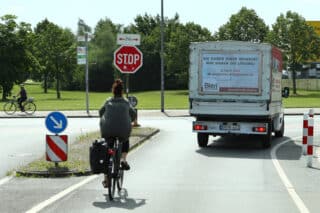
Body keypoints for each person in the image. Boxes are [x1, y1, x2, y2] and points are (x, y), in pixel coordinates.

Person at [99, 79, 136, 188]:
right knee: (125, 139)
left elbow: (100, 112)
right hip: (122, 130)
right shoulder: (126, 102)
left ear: (113, 91)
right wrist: (131, 120)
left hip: (107, 130)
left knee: (107, 150)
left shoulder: (108, 101)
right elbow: (133, 114)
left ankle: (106, 180)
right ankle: (123, 160)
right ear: (122, 91)